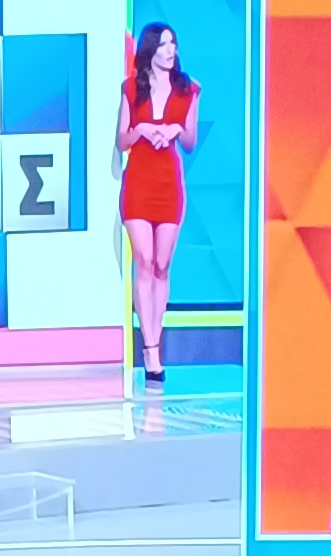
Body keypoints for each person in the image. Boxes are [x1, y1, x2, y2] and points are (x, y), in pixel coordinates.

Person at [119, 23, 200, 389]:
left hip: (168, 184)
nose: (171, 50)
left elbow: (191, 141)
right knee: (144, 260)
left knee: (162, 266)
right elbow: (121, 140)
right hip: (138, 183)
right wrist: (140, 131)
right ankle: (150, 350)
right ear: (151, 50)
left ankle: (156, 339)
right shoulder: (130, 88)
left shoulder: (189, 89)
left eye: (174, 44)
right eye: (164, 44)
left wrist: (174, 130)